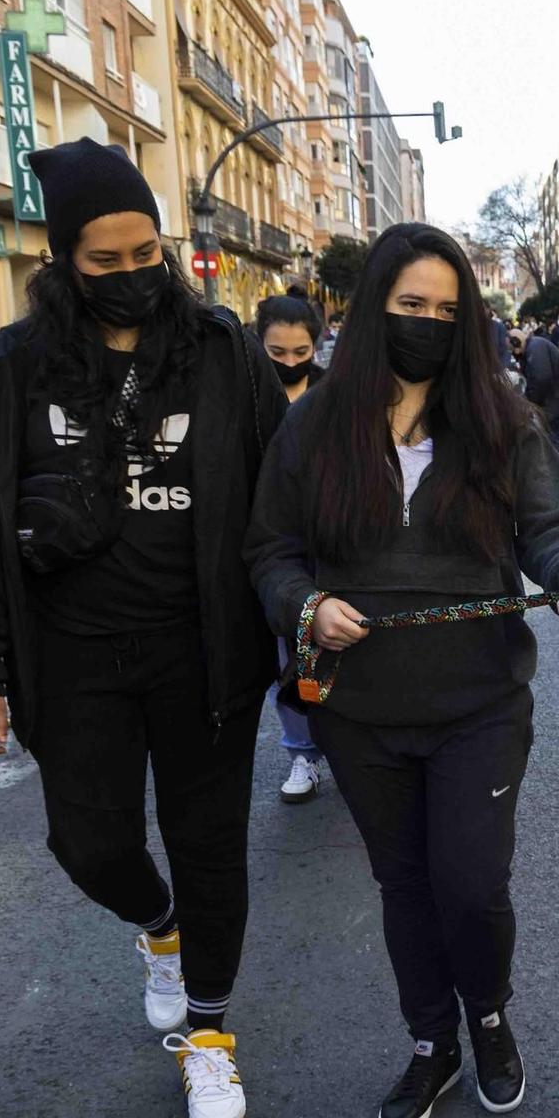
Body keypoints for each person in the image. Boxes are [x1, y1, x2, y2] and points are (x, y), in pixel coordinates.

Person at [0, 138, 283, 1118]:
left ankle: (210, 1036)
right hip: (72, 655)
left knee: (210, 844)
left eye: (147, 256)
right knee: (88, 842)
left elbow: (279, 501)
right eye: (105, 261)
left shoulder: (222, 352)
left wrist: (306, 624)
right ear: (62, 262)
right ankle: (157, 926)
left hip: (204, 652)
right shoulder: (11, 366)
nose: (133, 276)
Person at [243, 222, 559, 1118]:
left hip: (478, 706)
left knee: (472, 882)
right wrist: (305, 609)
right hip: (360, 712)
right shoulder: (314, 423)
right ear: (375, 309)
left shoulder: (502, 418)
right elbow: (272, 549)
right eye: (412, 306)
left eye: (448, 310)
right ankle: (428, 1040)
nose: (430, 324)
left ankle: (487, 1015)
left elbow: (556, 521)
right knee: (403, 885)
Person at [254, 293, 329, 805]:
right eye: (275, 352)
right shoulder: (242, 395)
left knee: (339, 654)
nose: (288, 362)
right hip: (272, 547)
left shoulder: (337, 395)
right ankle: (301, 752)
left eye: (299, 351)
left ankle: (350, 747)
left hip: (331, 543)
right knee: (289, 658)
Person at [511, 322, 559, 465]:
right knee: (553, 436)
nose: (514, 355)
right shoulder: (535, 346)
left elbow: (541, 379)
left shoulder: (535, 348)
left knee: (553, 436)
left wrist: (530, 402)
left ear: (516, 343)